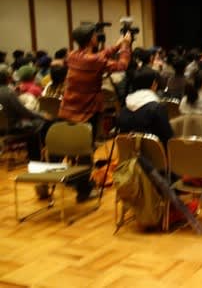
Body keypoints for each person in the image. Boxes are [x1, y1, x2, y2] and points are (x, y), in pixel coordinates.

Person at [58, 22, 131, 201]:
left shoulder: (72, 55)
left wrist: (116, 44)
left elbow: (97, 56)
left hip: (69, 108)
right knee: (86, 149)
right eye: (95, 35)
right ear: (91, 39)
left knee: (74, 146)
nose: (97, 37)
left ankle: (74, 179)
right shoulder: (94, 60)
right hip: (87, 110)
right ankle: (83, 191)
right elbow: (122, 65)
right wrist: (125, 46)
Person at [117, 67, 173, 146]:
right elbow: (168, 139)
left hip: (127, 153)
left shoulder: (124, 109)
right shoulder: (157, 108)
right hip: (155, 153)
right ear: (154, 84)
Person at [0, 70, 48, 162]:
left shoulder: (10, 91)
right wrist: (41, 115)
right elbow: (23, 111)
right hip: (13, 127)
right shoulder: (8, 93)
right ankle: (35, 158)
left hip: (3, 128)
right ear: (8, 79)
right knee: (39, 123)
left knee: (33, 124)